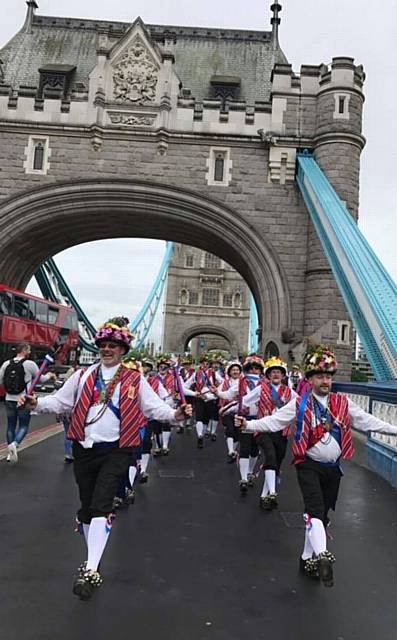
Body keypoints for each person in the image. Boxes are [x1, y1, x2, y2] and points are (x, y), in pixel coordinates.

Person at [20, 317, 191, 601]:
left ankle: (90, 569)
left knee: (101, 504)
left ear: (123, 350)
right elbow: (61, 402)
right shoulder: (83, 376)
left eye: (113, 345)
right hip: (84, 449)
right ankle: (92, 558)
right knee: (87, 507)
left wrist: (176, 415)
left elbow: (155, 408)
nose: (107, 349)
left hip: (116, 450)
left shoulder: (136, 379)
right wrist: (36, 403)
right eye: (104, 345)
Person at [235, 345, 397, 587]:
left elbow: (367, 420)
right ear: (310, 379)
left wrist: (395, 430)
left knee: (321, 514)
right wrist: (248, 425)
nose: (325, 381)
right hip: (307, 464)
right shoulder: (299, 403)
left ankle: (306, 558)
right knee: (313, 509)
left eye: (329, 376)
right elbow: (273, 421)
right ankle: (322, 555)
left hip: (333, 468)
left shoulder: (343, 403)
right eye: (320, 376)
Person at [242, 357, 296, 510]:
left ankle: (264, 496)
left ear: (283, 375)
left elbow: (302, 406)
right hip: (263, 429)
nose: (276, 375)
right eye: (273, 373)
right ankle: (273, 492)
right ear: (268, 375)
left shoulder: (289, 392)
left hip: (282, 432)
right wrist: (231, 411)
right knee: (270, 457)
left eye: (279, 372)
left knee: (275, 463)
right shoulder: (261, 389)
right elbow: (244, 401)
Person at [0, 341, 56, 463]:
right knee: (24, 426)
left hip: (9, 399)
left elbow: (0, 381)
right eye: (29, 349)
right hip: (24, 400)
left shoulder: (5, 364)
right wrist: (50, 375)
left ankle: (10, 454)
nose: (30, 352)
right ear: (24, 350)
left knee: (10, 426)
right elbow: (40, 378)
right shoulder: (29, 364)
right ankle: (15, 444)